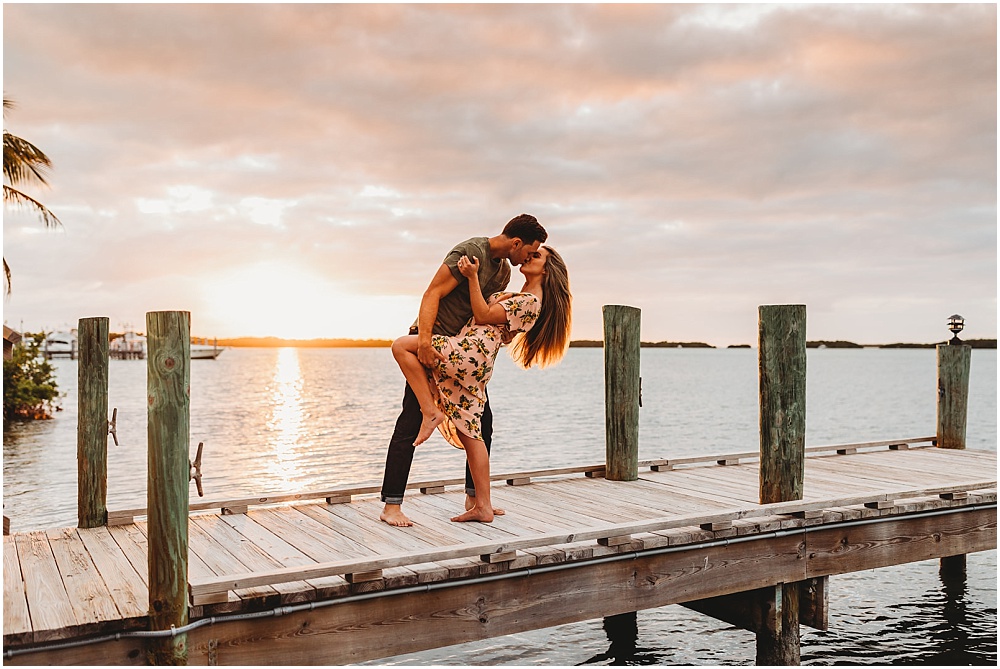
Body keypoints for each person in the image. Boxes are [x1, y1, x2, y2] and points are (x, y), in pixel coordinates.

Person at [379, 214, 548, 527]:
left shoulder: (502, 270)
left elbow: (481, 314)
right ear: (516, 242)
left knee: (483, 421)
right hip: (432, 343)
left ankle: (477, 499)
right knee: (410, 421)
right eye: (529, 250)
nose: (528, 257)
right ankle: (392, 506)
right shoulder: (471, 253)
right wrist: (426, 342)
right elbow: (432, 293)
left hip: (460, 351)